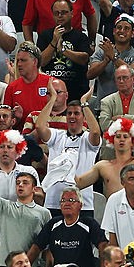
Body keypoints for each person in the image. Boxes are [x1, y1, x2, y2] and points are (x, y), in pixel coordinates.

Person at [35, 83, 102, 216]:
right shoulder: (57, 136)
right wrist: (53, 98)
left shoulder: (87, 140)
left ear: (83, 117)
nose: (72, 116)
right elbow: (39, 127)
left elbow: (95, 132)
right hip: (54, 202)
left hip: (83, 204)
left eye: (77, 113)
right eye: (69, 113)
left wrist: (84, 103)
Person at [28, 186, 108, 267]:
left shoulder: (88, 223)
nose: (66, 203)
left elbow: (103, 245)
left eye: (71, 200)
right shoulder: (53, 224)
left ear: (80, 205)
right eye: (63, 200)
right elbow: (36, 247)